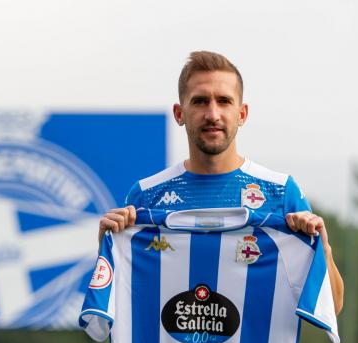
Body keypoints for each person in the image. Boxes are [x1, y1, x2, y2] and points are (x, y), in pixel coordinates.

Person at [98, 50, 343, 315]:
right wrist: (107, 245)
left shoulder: (280, 193)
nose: (213, 114)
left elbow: (333, 306)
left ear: (242, 113)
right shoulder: (147, 196)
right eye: (200, 101)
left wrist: (323, 249)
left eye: (224, 101)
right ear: (179, 113)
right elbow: (117, 302)